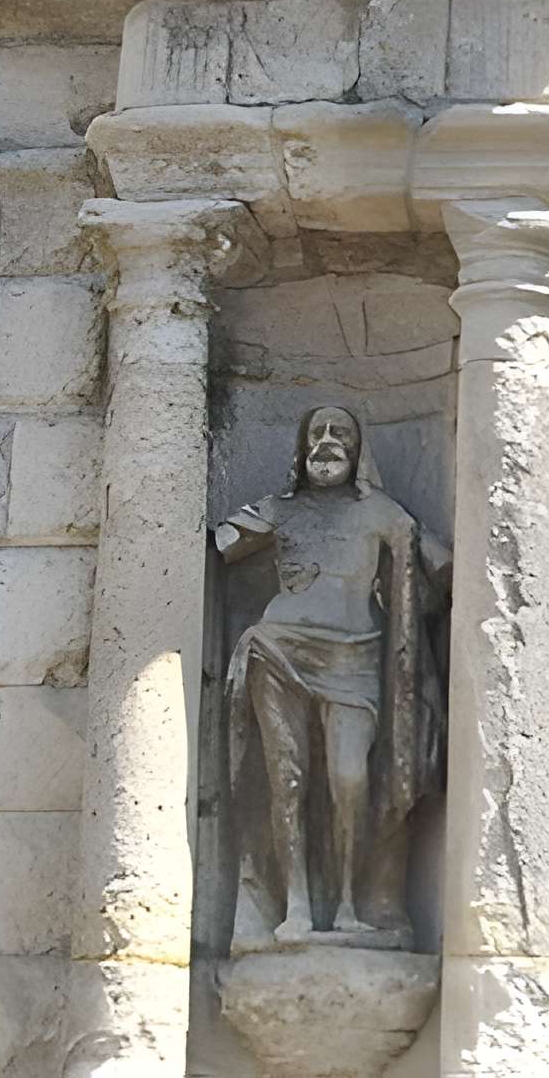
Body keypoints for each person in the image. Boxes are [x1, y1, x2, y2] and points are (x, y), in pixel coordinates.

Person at [214, 403, 446, 946]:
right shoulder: (278, 509)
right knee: (287, 779)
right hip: (279, 651)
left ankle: (348, 905)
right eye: (316, 432)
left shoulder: (383, 513)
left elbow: (441, 571)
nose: (326, 441)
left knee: (350, 778)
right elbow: (222, 543)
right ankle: (295, 906)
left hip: (356, 657)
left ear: (358, 449)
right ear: (301, 447)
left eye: (339, 431)